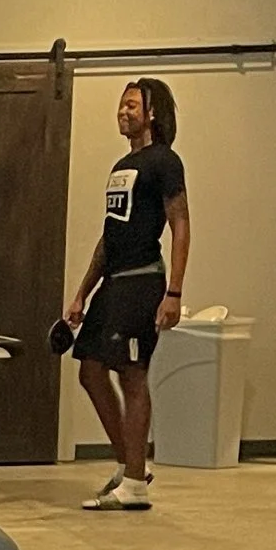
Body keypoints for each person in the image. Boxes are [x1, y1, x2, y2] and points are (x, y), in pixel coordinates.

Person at [64, 75, 189, 512]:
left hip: (142, 282)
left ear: (153, 112)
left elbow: (181, 225)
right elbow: (108, 236)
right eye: (122, 105)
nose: (124, 111)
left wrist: (173, 292)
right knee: (90, 371)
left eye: (132, 105)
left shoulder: (165, 161)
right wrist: (82, 293)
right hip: (113, 284)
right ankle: (129, 464)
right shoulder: (121, 167)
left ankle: (135, 483)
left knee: (132, 375)